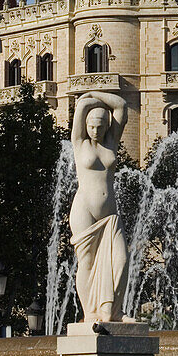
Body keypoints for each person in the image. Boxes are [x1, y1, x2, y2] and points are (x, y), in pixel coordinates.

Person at [70, 90, 128, 323]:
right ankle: (90, 313)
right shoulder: (79, 142)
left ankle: (114, 311)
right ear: (86, 125)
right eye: (92, 126)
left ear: (107, 126)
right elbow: (81, 105)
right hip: (83, 209)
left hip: (110, 215)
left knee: (122, 260)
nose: (96, 130)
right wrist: (89, 99)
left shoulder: (112, 141)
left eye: (101, 126)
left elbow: (122, 105)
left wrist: (95, 93)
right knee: (87, 262)